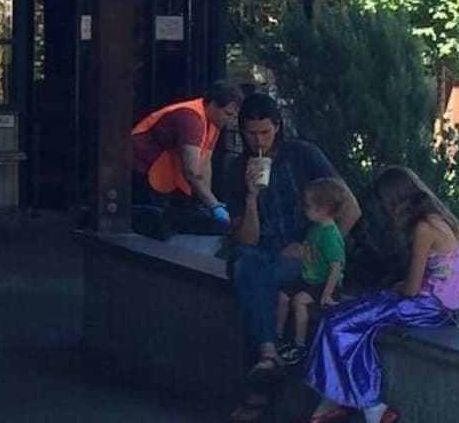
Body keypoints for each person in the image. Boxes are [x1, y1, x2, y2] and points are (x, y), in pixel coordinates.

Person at [219, 94, 356, 422]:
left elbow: (350, 207)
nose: (258, 141)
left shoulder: (303, 155)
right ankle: (269, 354)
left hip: (300, 248)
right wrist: (251, 197)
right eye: (251, 134)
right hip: (259, 249)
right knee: (247, 266)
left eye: (265, 133)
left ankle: (260, 388)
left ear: (277, 128)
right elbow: (246, 239)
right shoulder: (236, 169)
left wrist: (321, 246)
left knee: (257, 288)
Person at [303, 166, 459, 423]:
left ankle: (371, 406)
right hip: (437, 303)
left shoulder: (423, 229)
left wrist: (396, 288)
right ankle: (334, 395)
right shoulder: (443, 220)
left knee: (339, 323)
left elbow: (412, 288)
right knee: (341, 316)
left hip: (429, 307)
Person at [130, 80, 243, 237]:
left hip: (164, 175)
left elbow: (205, 162)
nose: (229, 120)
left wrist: (207, 200)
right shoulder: (191, 119)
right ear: (212, 104)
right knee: (156, 222)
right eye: (227, 114)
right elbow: (191, 170)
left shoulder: (214, 123)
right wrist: (213, 204)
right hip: (141, 170)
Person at [274, 178, 357, 363]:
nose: (304, 209)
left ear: (322, 209)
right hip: (309, 276)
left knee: (299, 301)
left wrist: (327, 294)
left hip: (324, 282)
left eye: (308, 206)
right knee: (283, 295)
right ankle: (277, 337)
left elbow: (336, 266)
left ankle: (300, 344)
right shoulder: (315, 228)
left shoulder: (330, 235)